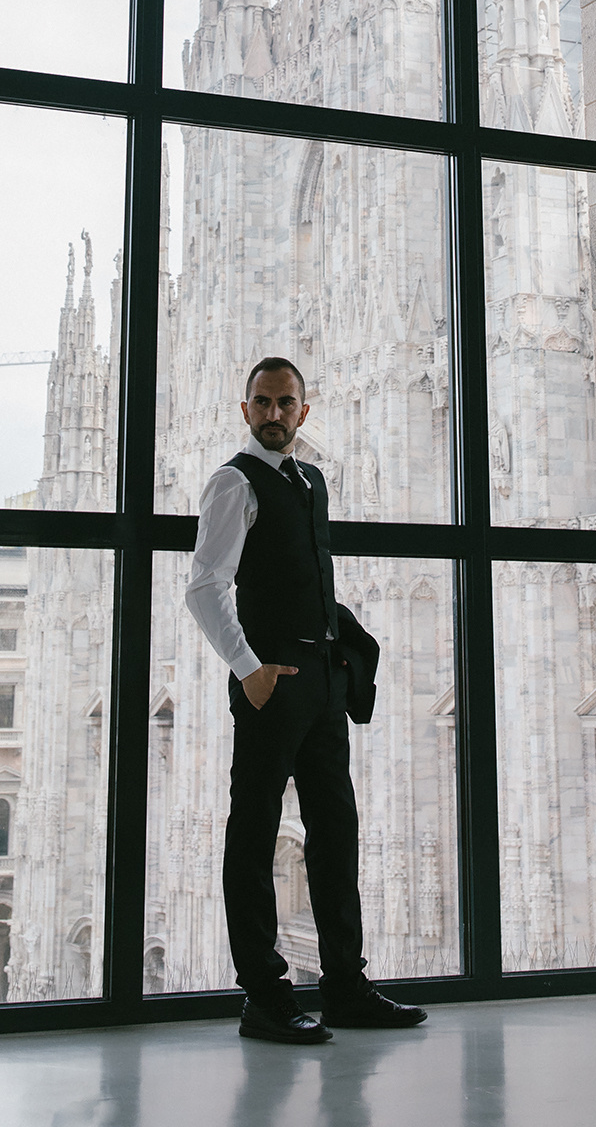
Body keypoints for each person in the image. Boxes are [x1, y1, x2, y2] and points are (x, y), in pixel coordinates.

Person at [185, 355, 428, 1045]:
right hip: (270, 686)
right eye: (261, 402)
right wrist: (248, 668)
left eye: (285, 403)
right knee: (254, 833)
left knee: (335, 832)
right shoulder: (234, 482)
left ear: (303, 411)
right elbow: (205, 585)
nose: (272, 413)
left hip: (320, 686)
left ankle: (345, 985)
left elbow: (306, 576)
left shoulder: (310, 480)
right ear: (245, 410)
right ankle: (264, 995)